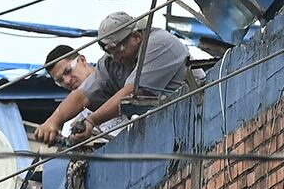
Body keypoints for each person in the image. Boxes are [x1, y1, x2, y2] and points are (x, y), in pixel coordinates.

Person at [37, 9, 190, 145]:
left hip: (190, 118)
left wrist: (91, 121)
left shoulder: (159, 43)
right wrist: (53, 122)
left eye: (118, 50)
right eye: (110, 52)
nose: (115, 57)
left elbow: (134, 92)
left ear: (136, 37)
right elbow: (82, 95)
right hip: (166, 129)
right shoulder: (112, 61)